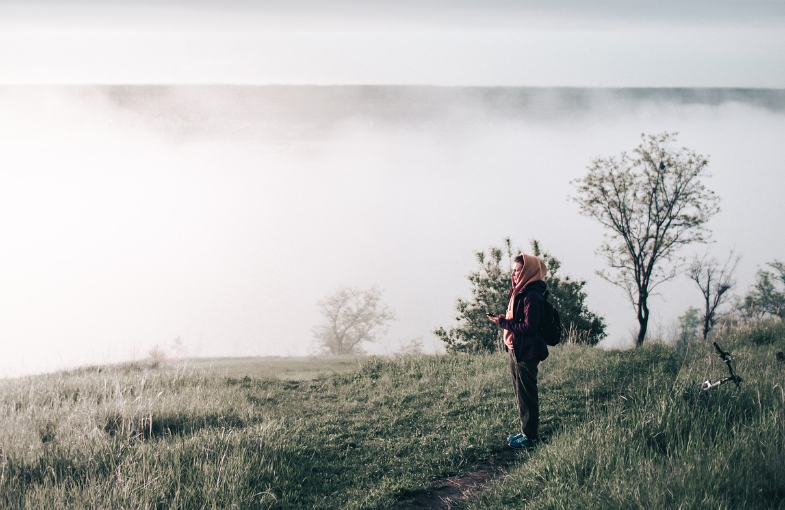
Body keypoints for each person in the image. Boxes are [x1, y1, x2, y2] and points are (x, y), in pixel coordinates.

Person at [488, 253, 549, 449]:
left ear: (528, 271)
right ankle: (525, 432)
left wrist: (503, 322)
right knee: (520, 393)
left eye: (518, 271)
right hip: (516, 347)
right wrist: (505, 320)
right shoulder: (518, 292)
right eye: (513, 271)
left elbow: (530, 327)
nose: (514, 275)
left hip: (527, 350)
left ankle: (530, 437)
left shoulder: (531, 294)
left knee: (527, 394)